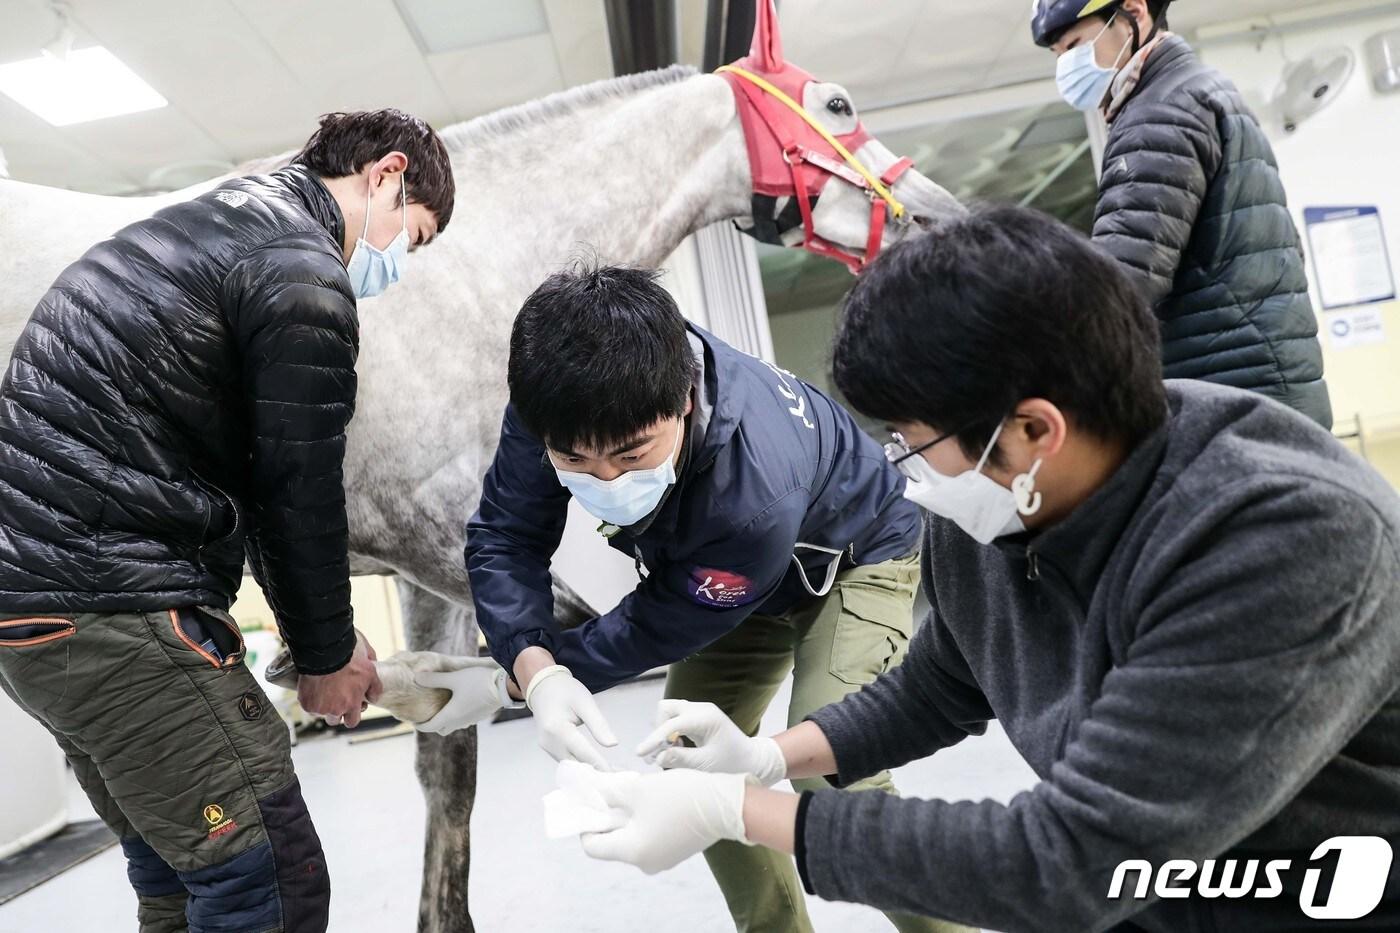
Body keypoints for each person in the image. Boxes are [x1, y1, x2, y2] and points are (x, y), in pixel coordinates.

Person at [565, 206, 1400, 932]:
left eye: (916, 441)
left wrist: (738, 811)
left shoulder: (1282, 540)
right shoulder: (995, 504)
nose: (906, 468)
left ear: (1033, 430)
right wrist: (767, 758)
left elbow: (1068, 860)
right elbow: (940, 684)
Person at [0, 109, 454, 933]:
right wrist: (324, 656)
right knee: (267, 882)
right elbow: (296, 487)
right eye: (410, 237)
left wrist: (323, 634)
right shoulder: (300, 271)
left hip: (38, 619)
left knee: (180, 881)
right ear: (386, 174)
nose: (396, 265)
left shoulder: (215, 226)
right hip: (114, 609)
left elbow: (254, 479)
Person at [432, 264, 966, 933]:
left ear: (683, 399)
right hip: (726, 571)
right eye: (576, 461)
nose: (604, 478)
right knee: (691, 757)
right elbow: (506, 533)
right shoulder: (556, 399)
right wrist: (534, 668)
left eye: (630, 456)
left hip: (857, 553)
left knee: (830, 765)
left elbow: (658, 623)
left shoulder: (752, 493)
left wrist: (508, 682)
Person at [1032, 0, 1333, 428]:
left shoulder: (1160, 111)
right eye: (1058, 55)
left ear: (1135, 13)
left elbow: (1123, 283)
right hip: (1263, 384)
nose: (1066, 65)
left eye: (1076, 44)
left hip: (1231, 398)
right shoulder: (1201, 89)